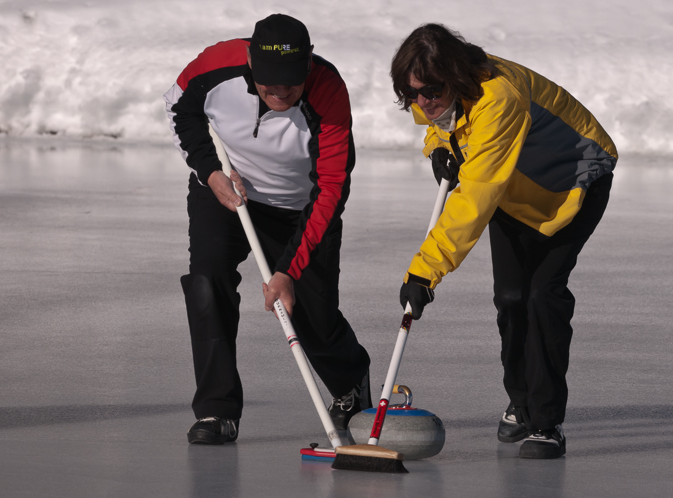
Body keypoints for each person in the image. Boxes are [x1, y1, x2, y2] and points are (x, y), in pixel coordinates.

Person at [391, 24, 617, 459]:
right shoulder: (440, 93)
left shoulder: (500, 99)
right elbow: (448, 124)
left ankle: (547, 422)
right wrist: (438, 145)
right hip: (513, 189)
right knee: (511, 298)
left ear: (455, 76)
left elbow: (475, 198)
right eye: (411, 92)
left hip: (572, 186)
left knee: (541, 295)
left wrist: (425, 271)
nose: (422, 101)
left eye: (431, 90)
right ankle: (521, 402)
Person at [164, 14, 371, 445]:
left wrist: (288, 271)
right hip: (226, 189)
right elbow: (180, 108)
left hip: (302, 209)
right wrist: (209, 171)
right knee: (207, 282)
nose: (279, 91)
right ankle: (216, 412)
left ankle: (351, 381)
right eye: (268, 82)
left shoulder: (329, 92)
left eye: (290, 83)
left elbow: (332, 188)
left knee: (310, 317)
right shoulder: (216, 64)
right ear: (250, 65)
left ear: (308, 65)